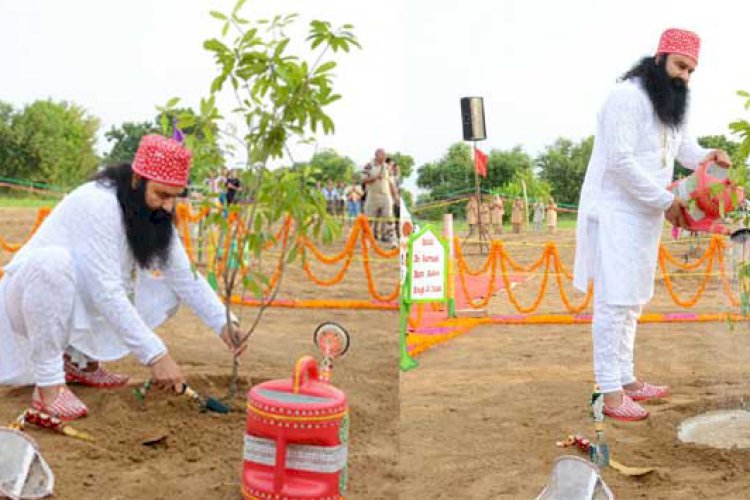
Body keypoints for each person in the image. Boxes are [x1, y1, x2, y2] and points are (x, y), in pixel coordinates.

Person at [0, 134, 245, 421]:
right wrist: (156, 356)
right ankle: (49, 389)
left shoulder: (155, 213)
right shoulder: (97, 203)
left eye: (174, 197)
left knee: (166, 289)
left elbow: (183, 275)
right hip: (28, 306)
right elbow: (105, 291)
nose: (168, 206)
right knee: (53, 264)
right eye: (162, 195)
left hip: (77, 300)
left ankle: (79, 361)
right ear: (136, 181)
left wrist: (224, 322)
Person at [573, 28, 731, 422]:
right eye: (680, 66)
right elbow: (621, 163)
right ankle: (608, 393)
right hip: (615, 213)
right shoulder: (626, 97)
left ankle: (626, 379)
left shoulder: (670, 106)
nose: (685, 77)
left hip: (644, 215)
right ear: (660, 58)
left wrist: (709, 156)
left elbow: (684, 151)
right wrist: (668, 201)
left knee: (632, 301)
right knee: (613, 302)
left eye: (692, 70)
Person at [361, 148, 395, 244]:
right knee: (369, 218)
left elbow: (391, 182)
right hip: (373, 195)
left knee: (388, 217)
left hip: (386, 195)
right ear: (376, 155)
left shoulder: (387, 167)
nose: (384, 157)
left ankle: (389, 238)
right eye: (382, 155)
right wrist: (375, 178)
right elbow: (363, 180)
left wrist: (395, 196)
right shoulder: (368, 166)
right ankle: (366, 239)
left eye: (385, 155)